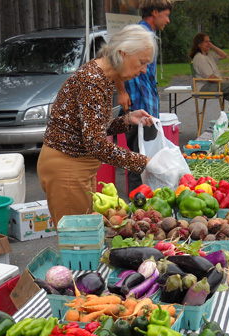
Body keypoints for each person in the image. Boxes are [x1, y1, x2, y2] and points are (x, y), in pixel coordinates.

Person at [37, 24, 156, 225]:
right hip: (68, 168)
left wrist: (126, 120)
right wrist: (145, 163)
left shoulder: (102, 77)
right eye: (142, 62)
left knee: (86, 238)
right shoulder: (92, 81)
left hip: (76, 167)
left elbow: (90, 129)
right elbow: (96, 144)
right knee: (77, 243)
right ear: (123, 53)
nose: (144, 70)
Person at [116, 0, 173, 193]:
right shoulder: (141, 35)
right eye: (165, 15)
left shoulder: (148, 35)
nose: (168, 20)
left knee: (142, 157)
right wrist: (122, 91)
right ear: (154, 13)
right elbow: (115, 57)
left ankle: (143, 199)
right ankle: (137, 202)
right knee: (139, 160)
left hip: (144, 106)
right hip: (137, 105)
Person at [189, 32, 229, 110]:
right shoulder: (200, 58)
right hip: (204, 87)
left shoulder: (208, 55)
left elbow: (224, 55)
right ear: (199, 44)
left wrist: (212, 46)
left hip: (213, 85)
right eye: (206, 42)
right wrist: (223, 84)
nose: (208, 43)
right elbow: (211, 78)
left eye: (209, 41)